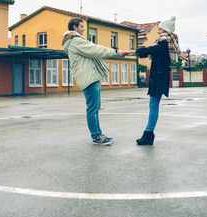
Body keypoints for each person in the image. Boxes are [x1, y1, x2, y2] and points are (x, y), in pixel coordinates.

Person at [62, 18, 126, 145]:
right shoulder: (76, 41)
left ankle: (98, 134)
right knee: (93, 108)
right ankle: (96, 136)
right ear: (74, 28)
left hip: (89, 77)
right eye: (81, 26)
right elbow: (96, 50)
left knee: (94, 107)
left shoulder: (75, 41)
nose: (83, 29)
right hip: (88, 78)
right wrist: (116, 52)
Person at [127, 16, 178, 145]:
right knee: (153, 105)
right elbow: (151, 51)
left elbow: (150, 50)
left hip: (159, 78)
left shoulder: (163, 43)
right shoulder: (168, 43)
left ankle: (148, 134)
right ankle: (148, 134)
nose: (158, 31)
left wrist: (133, 52)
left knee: (153, 106)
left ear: (166, 30)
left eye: (160, 29)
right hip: (160, 77)